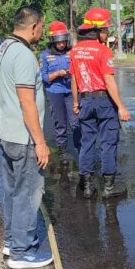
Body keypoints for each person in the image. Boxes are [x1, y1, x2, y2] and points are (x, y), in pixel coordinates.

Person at [0, 6, 53, 269]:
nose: (43, 32)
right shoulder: (24, 56)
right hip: (23, 137)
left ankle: (11, 241)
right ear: (33, 26)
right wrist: (41, 143)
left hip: (6, 133)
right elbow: (27, 103)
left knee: (13, 191)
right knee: (28, 194)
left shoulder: (2, 49)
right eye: (42, 27)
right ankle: (22, 252)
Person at [70, 8, 132, 199]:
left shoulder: (75, 51)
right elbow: (109, 81)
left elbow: (74, 79)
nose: (107, 33)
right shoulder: (103, 51)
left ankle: (88, 187)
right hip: (104, 101)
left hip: (85, 101)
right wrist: (121, 106)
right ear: (96, 31)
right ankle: (109, 188)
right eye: (105, 29)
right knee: (108, 142)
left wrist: (75, 102)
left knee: (87, 142)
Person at [40, 21, 80, 163]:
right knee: (60, 123)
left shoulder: (72, 53)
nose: (62, 44)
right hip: (54, 92)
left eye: (64, 41)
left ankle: (79, 148)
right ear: (52, 41)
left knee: (75, 121)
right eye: (59, 42)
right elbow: (44, 77)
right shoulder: (45, 55)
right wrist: (58, 73)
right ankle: (62, 150)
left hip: (70, 91)